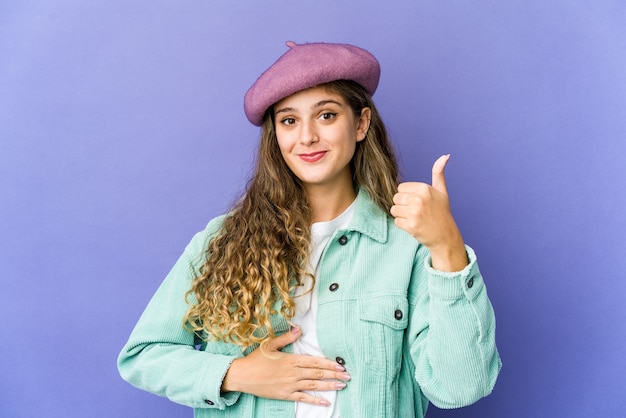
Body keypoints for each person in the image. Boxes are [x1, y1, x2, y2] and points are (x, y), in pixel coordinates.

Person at [117, 41, 501, 418]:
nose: (306, 137)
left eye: (327, 115)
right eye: (289, 121)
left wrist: (447, 246)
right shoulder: (221, 240)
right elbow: (143, 356)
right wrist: (236, 374)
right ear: (276, 136)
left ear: (361, 123)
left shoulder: (409, 247)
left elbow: (460, 388)